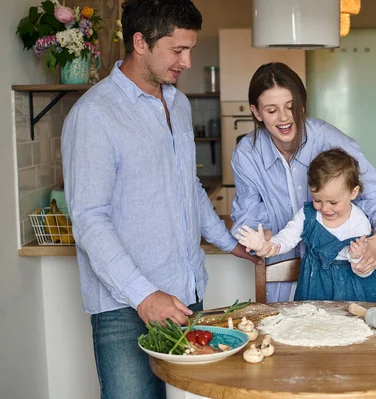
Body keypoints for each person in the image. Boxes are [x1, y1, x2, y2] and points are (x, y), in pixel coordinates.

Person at [61, 1, 260, 398]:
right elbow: (88, 220)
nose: (187, 62)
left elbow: (189, 188)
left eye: (190, 49)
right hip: (125, 307)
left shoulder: (179, 105)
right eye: (177, 50)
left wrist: (229, 243)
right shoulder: (94, 115)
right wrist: (144, 296)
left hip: (186, 295)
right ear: (140, 43)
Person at [231, 62, 376, 302]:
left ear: (302, 106)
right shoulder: (247, 154)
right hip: (280, 273)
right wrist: (265, 237)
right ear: (257, 112)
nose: (283, 118)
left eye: (290, 107)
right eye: (271, 110)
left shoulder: (329, 140)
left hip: (343, 281)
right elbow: (248, 213)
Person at [236, 148, 376, 302]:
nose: (325, 208)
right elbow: (288, 237)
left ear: (353, 193)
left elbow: (365, 271)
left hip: (352, 292)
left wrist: (357, 258)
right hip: (313, 287)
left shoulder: (359, 224)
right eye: (317, 200)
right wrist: (268, 245)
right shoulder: (307, 215)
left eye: (333, 202)